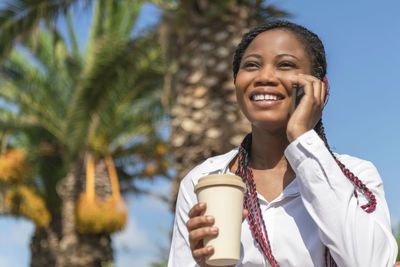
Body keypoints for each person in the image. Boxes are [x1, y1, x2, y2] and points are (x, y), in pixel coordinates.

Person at [168, 20, 398, 267]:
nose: (265, 76)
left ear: (321, 88)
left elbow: (371, 262)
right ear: (237, 83)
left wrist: (301, 136)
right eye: (252, 65)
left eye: (285, 65)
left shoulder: (356, 176)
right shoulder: (205, 179)